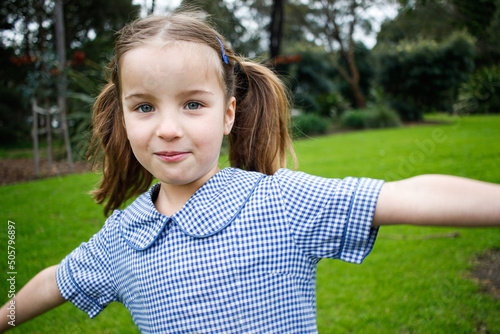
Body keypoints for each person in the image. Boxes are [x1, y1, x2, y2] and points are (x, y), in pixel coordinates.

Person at [1, 11, 499, 334]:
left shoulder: (280, 202)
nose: (168, 129)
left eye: (193, 104)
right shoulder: (123, 237)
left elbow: (405, 196)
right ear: (123, 116)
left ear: (228, 114)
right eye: (144, 107)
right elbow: (54, 281)